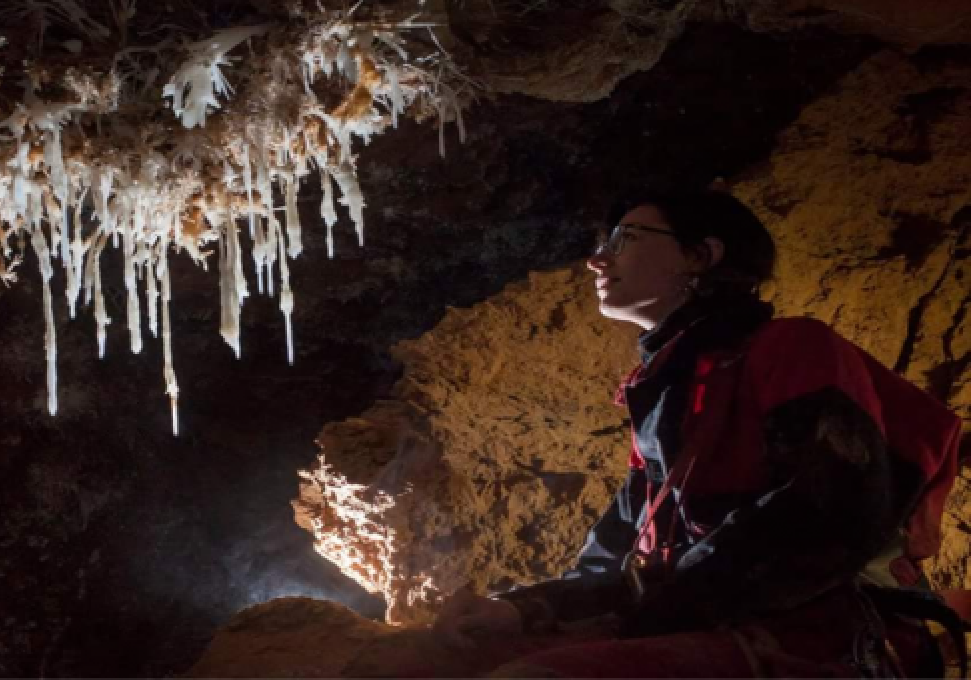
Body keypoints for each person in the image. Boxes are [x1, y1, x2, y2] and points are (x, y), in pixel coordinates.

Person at [356, 190, 964, 679]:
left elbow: (831, 510)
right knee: (418, 665)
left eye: (625, 240)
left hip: (812, 632)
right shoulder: (668, 390)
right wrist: (520, 608)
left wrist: (649, 610)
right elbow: (618, 548)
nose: (599, 259)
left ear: (701, 257)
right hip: (702, 617)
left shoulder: (792, 347)